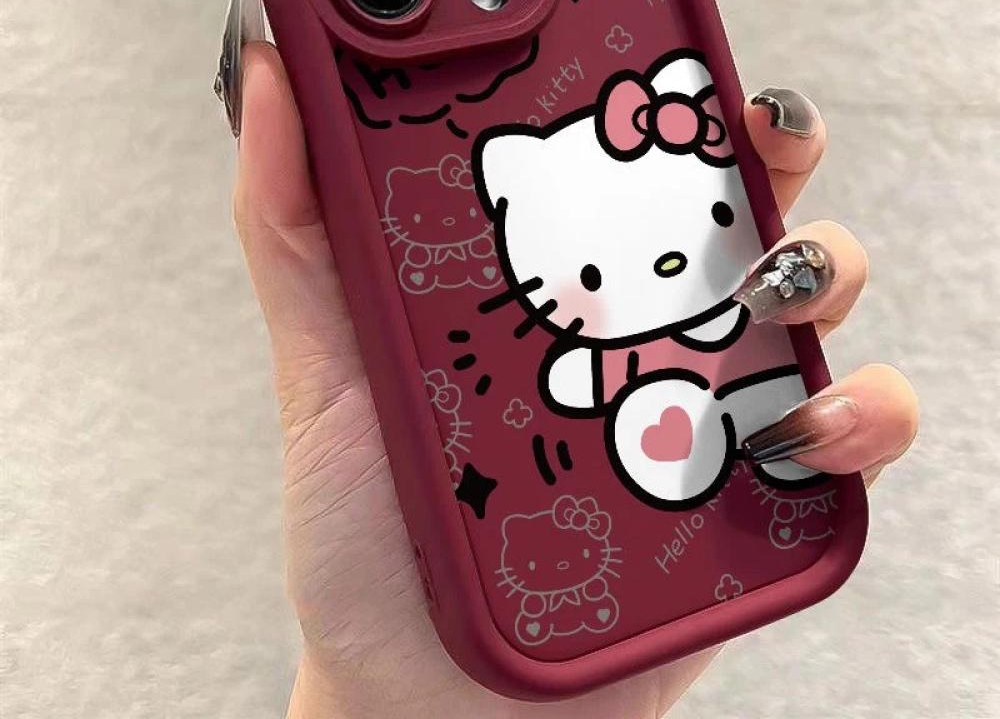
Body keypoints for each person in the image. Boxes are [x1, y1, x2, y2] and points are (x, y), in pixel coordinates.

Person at [231, 40, 919, 719]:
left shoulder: (728, 311)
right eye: (589, 274)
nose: (664, 267)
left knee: (774, 384)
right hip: (657, 409)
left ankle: (735, 431)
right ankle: (683, 437)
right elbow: (575, 382)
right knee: (668, 415)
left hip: (728, 372)